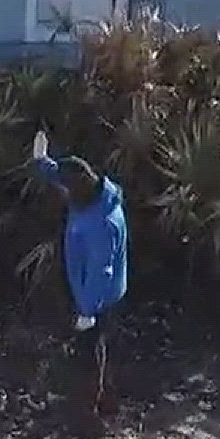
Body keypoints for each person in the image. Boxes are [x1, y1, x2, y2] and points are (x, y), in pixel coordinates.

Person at [30, 131, 129, 404]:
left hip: (100, 298)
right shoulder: (90, 192)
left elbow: (101, 271)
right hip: (84, 283)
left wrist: (87, 312)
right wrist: (42, 162)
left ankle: (90, 410)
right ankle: (100, 396)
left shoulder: (102, 225)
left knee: (92, 353)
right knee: (94, 348)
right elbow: (61, 176)